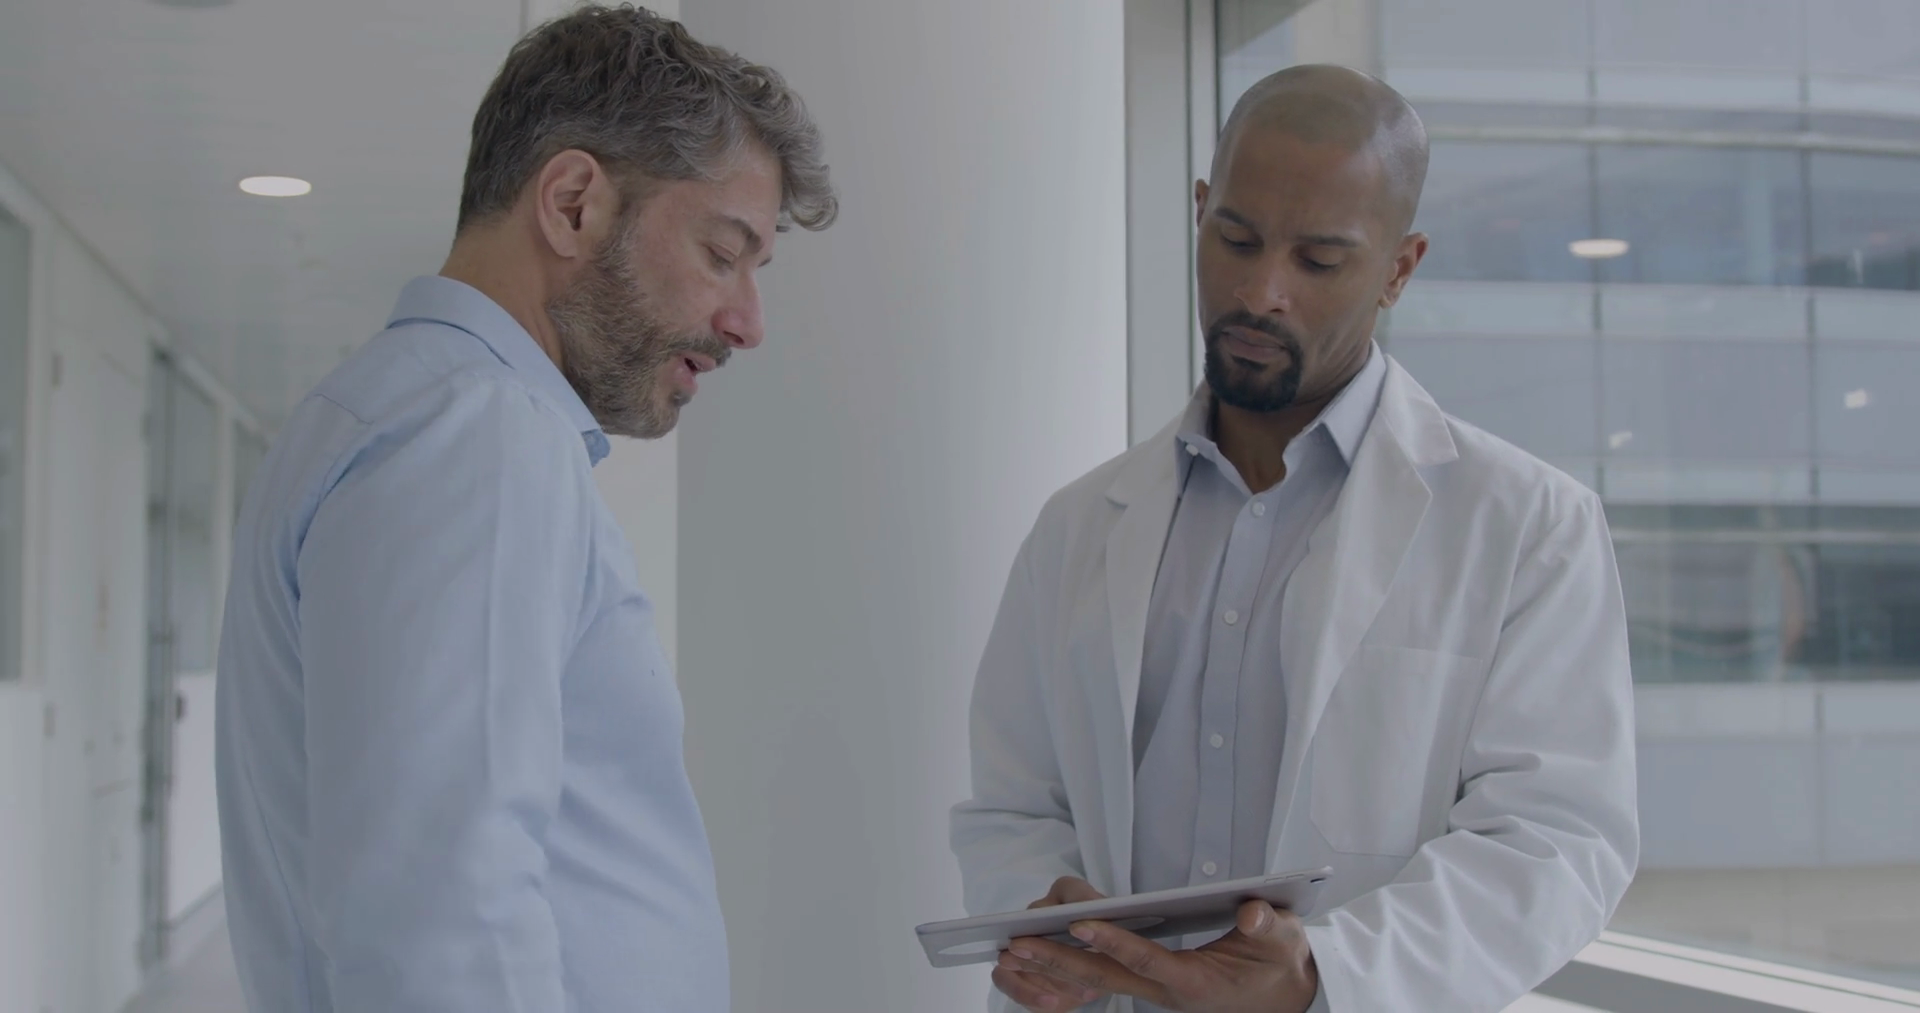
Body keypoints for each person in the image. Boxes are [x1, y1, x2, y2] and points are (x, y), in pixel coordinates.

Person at [950, 64, 1636, 1013]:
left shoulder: (1528, 527)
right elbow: (1015, 802)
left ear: (1399, 269)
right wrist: (1042, 909)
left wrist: (1323, 975)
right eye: (1236, 239)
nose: (1260, 291)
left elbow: (1557, 842)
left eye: (1318, 261)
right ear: (1200, 212)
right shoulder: (1079, 522)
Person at [214, 7, 834, 1012]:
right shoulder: (476, 432)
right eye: (724, 254)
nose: (747, 322)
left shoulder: (398, 411)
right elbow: (443, 914)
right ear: (574, 203)